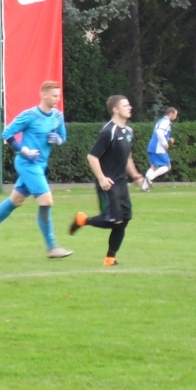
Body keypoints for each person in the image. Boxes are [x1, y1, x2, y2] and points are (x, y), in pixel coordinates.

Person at [0, 81, 71, 259]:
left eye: (58, 96)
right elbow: (7, 133)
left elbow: (63, 137)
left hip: (40, 165)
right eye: (54, 96)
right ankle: (52, 247)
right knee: (46, 201)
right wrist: (24, 150)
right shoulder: (30, 115)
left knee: (17, 200)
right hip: (27, 164)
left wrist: (58, 140)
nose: (57, 99)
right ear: (43, 94)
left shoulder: (57, 116)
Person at [69, 95, 145, 266]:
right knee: (113, 220)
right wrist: (102, 178)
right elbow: (92, 157)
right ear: (115, 110)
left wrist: (135, 175)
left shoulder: (128, 131)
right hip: (108, 184)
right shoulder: (108, 132)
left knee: (124, 219)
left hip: (121, 183)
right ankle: (82, 220)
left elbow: (127, 157)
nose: (130, 107)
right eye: (125, 105)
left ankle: (110, 259)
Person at [141, 107, 177, 190]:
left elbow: (159, 133)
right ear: (170, 114)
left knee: (154, 166)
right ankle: (150, 178)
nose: (175, 117)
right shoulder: (166, 122)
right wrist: (165, 144)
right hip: (158, 147)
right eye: (175, 115)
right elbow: (159, 132)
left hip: (152, 146)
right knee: (168, 166)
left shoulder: (160, 121)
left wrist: (168, 139)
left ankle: (144, 187)